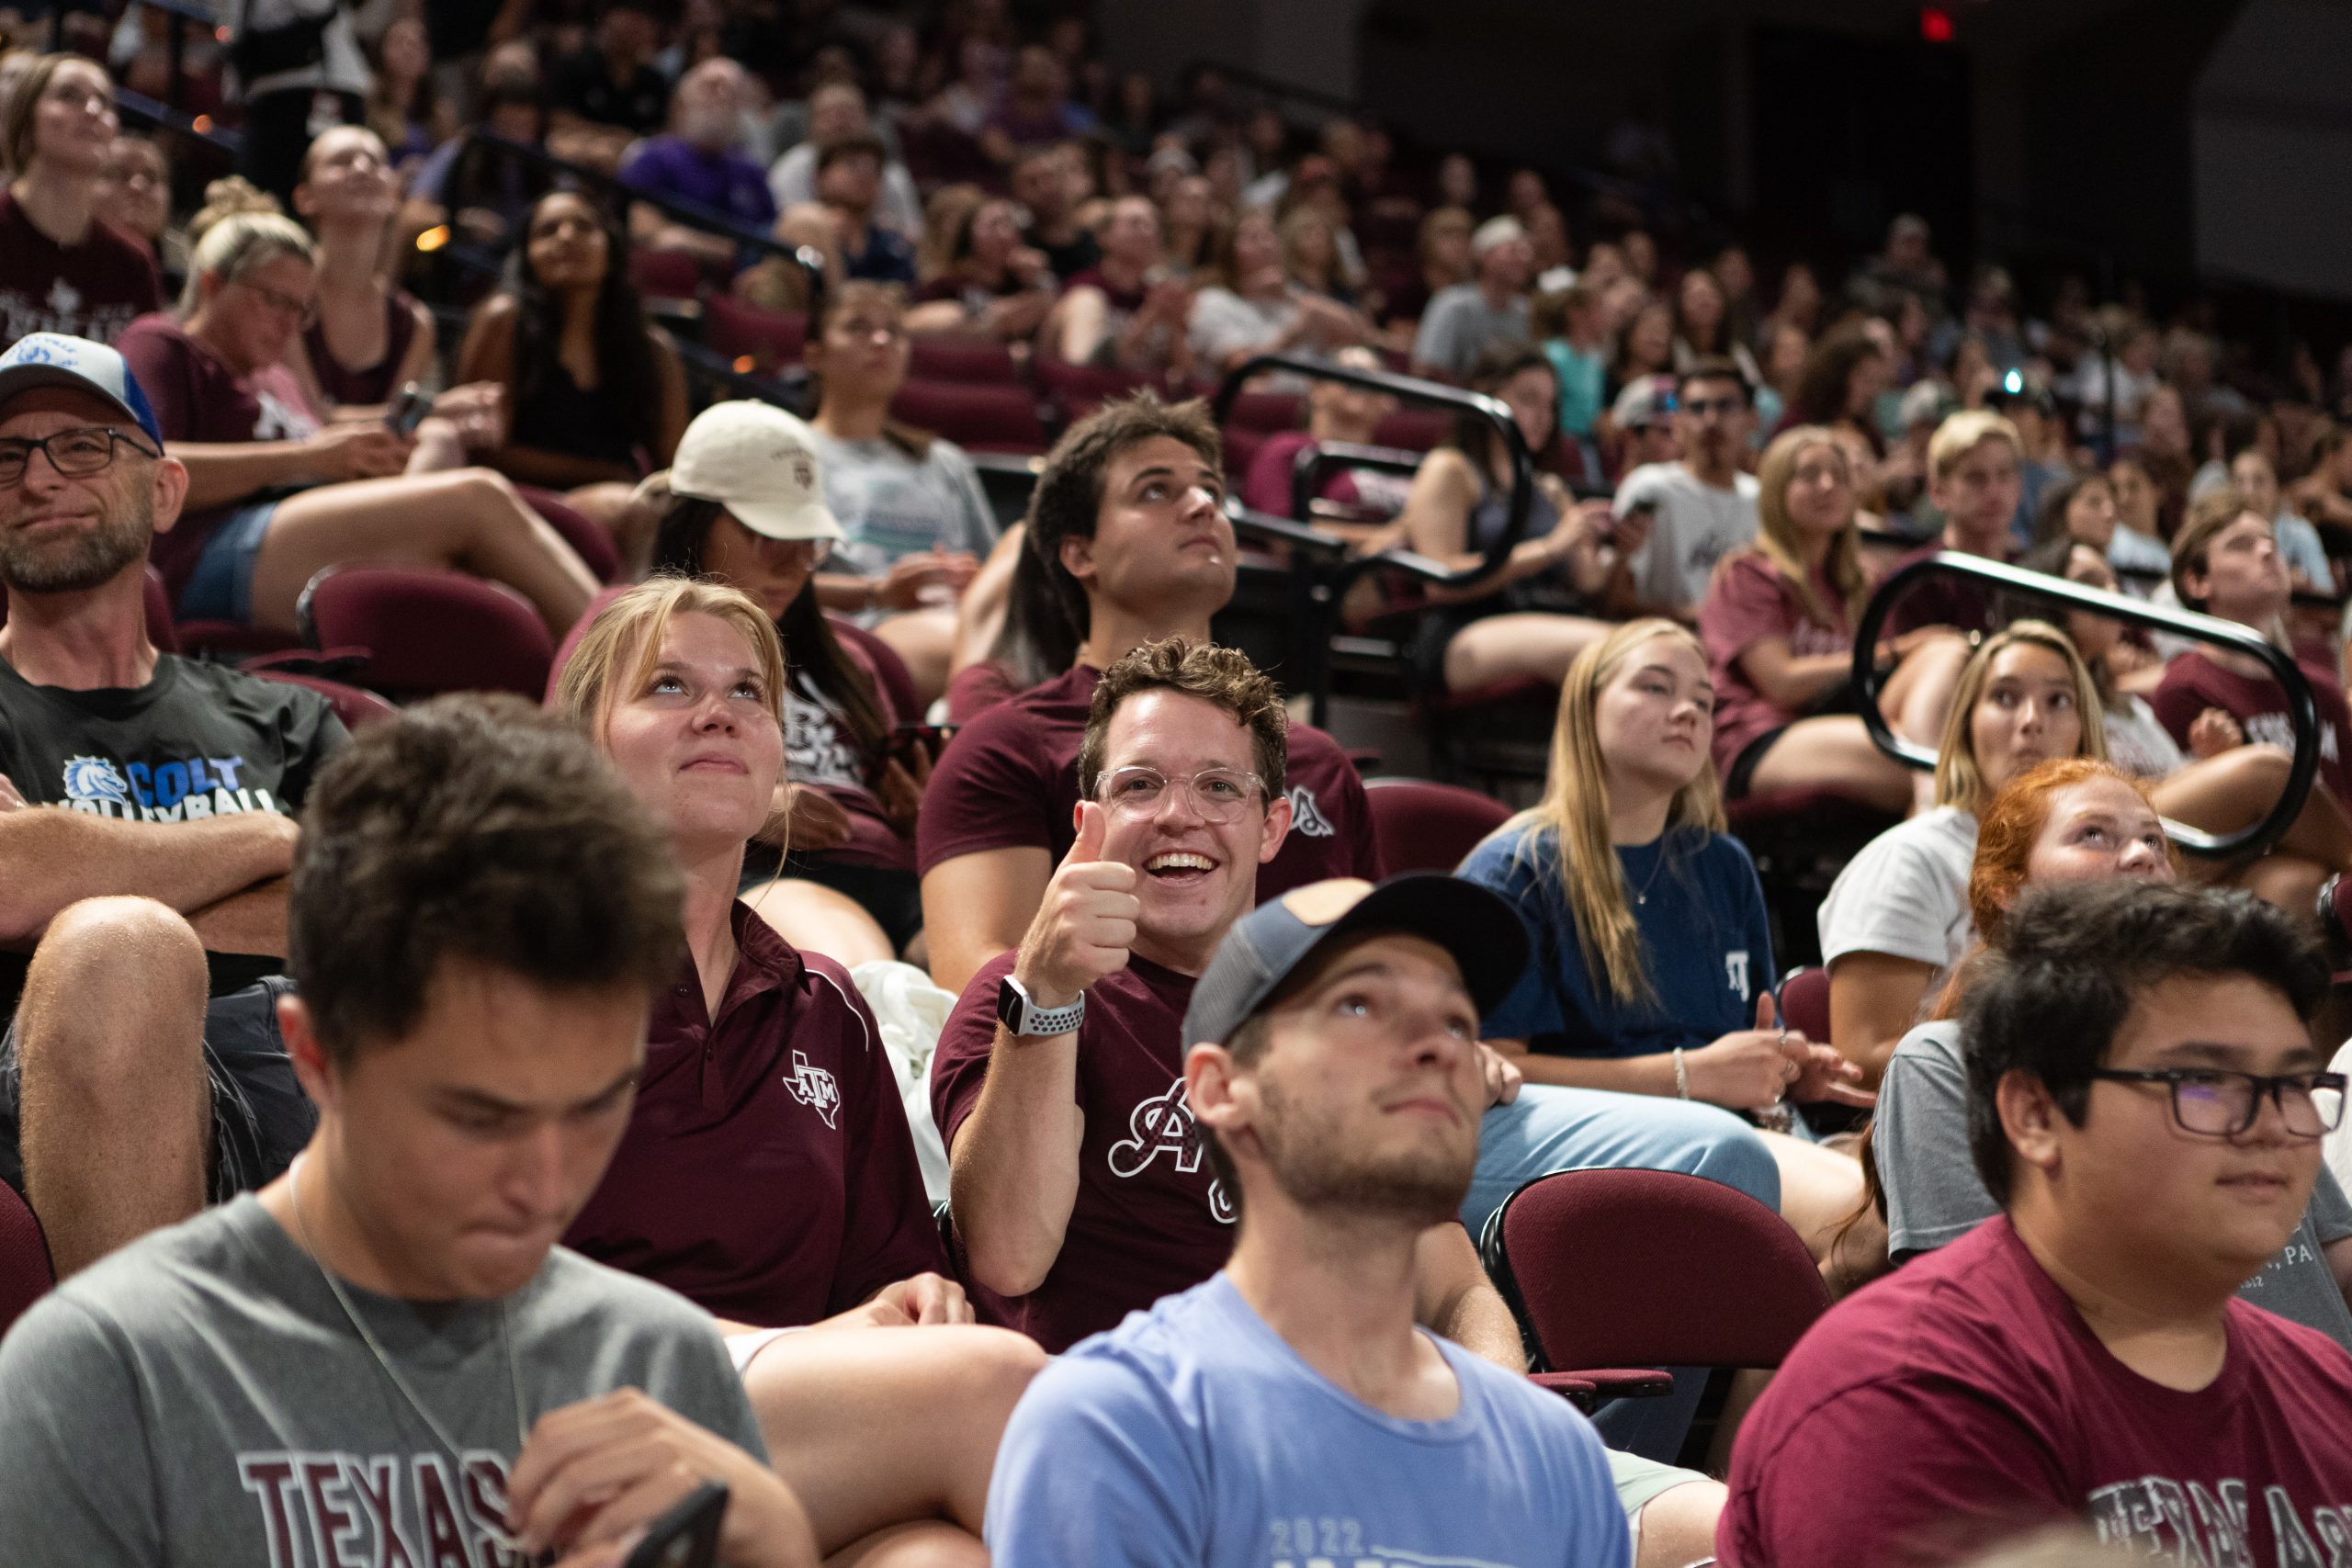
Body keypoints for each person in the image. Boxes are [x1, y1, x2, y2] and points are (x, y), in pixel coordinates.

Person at [0, 695, 821, 1565]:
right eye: (477, 1116)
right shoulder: (103, 1376)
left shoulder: (658, 1359)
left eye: (595, 1103)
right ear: (316, 1056)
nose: (546, 1185)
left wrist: (776, 1545)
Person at [983, 873, 1638, 1568]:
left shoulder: (1560, 1461)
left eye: (1457, 1020)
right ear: (1221, 1086)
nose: (1440, 1046)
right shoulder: (1116, 1427)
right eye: (1358, 1004)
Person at [1723, 879, 2352, 1568]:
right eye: (2204, 1083)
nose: (2270, 1125)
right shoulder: (1901, 1395)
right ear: (2037, 1115)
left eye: (2293, 1086)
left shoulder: (2325, 1384)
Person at [0, 332, 345, 1279]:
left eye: (82, 445)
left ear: (165, 490)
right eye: (8, 456)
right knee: (120, 953)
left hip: (322, 1058)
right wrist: (269, 838)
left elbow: (381, 904)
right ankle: (146, 1408)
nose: (38, 479)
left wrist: (65, 865)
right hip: (72, 1088)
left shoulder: (288, 716)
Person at [1871, 758, 2352, 1348]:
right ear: (2011, 892)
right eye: (2094, 834)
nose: (2142, 855)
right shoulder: (1950, 1061)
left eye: (2154, 839)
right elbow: (1978, 1321)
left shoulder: (2245, 1048)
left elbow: (2334, 1258)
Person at [916, 396, 1383, 998]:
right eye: (1156, 491)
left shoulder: (1317, 759)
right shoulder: (1006, 746)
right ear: (1081, 553)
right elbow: (977, 984)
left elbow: (1374, 959)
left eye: (1213, 489)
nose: (1202, 505)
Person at [1460, 618, 1873, 1272]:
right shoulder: (1517, 867)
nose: (1686, 710)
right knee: (1866, 1225)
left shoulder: (1724, 863)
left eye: (1705, 702)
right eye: (1655, 687)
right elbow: (1491, 1071)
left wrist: (1788, 1065)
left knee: (1920, 1198)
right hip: (1599, 1142)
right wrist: (1691, 1075)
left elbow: (1748, 1038)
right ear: (1585, 707)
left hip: (1738, 1128)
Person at [117, 210, 600, 635]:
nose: (289, 322)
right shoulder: (164, 344)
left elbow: (320, 452)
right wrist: (311, 456)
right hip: (204, 550)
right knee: (478, 497)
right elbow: (141, 470)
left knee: (448, 475)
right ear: (212, 284)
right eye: (274, 300)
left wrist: (360, 458)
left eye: (301, 308)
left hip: (288, 527)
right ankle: (626, 663)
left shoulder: (279, 379)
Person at [639, 400, 930, 960]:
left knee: (1009, 981)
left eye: (808, 545)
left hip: (898, 874)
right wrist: (748, 805)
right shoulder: (634, 636)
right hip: (761, 869)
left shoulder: (848, 658)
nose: (793, 565)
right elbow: (583, 780)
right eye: (771, 537)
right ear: (694, 523)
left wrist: (921, 811)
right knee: (876, 982)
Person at [1818, 622, 2103, 1082]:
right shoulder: (1910, 859)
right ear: (1967, 723)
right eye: (2005, 698)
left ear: (2084, 731)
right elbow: (1861, 1059)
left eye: (2059, 700)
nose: (2032, 720)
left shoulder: (2103, 864)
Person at [1385, 344, 1632, 690]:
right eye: (1528, 399)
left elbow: (1588, 584)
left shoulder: (1551, 488)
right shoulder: (1450, 468)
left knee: (1663, 651)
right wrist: (1548, 548)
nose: (1543, 416)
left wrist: (1625, 548)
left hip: (1544, 615)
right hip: (1464, 627)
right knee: (1632, 654)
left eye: (1550, 404)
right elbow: (1441, 581)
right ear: (1486, 396)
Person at [1700, 426, 1918, 810]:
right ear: (1776, 491)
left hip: (1848, 722)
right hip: (1762, 738)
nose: (1827, 486)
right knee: (1931, 770)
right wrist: (1899, 651)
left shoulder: (1862, 585)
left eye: (1839, 475)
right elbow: (1781, 682)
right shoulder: (1747, 574)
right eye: (1808, 475)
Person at [457, 188, 689, 551]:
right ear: (527, 256)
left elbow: (674, 467)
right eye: (547, 231)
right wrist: (604, 473)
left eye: (583, 226)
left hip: (623, 498)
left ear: (610, 250)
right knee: (636, 509)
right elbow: (485, 452)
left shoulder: (653, 350)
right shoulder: (504, 322)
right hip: (514, 499)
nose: (566, 236)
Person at [803, 280, 996, 706]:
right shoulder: (793, 450)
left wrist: (974, 581)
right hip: (858, 629)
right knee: (988, 656)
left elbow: (995, 569)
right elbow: (766, 580)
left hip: (955, 619)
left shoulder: (945, 460)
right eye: (858, 327)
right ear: (814, 354)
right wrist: (880, 590)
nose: (881, 340)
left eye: (894, 330)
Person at [2154, 489, 2352, 811]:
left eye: (2270, 541)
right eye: (2241, 545)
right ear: (2197, 582)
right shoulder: (2185, 690)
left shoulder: (2323, 690)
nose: (2266, 550)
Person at [0, 55, 160, 344]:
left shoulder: (131, 264)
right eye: (69, 96)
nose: (92, 110)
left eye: (105, 102)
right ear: (25, 120)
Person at [284, 126, 443, 414]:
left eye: (376, 162)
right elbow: (310, 419)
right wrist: (436, 411)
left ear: (396, 196)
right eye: (342, 161)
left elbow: (391, 436)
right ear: (304, 198)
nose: (362, 169)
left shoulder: (415, 322)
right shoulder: (282, 296)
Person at [1613, 357, 1761, 622]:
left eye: (1726, 406)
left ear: (1752, 420)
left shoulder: (1761, 498)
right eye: (1697, 408)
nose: (1711, 420)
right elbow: (1615, 601)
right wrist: (1698, 618)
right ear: (1678, 423)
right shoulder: (1651, 488)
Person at [619, 58, 777, 270]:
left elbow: (774, 234)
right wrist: (722, 250)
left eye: (732, 91)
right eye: (711, 87)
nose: (722, 96)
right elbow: (645, 230)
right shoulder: (654, 157)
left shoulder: (751, 170)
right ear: (684, 102)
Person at [1881, 410, 2025, 641]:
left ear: (2019, 486)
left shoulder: (2033, 575)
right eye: (1975, 477)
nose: (1994, 492)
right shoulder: (1915, 580)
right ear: (1937, 490)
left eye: (2004, 475)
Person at [1184, 206, 1374, 378]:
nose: (1265, 244)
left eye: (1269, 235)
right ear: (1230, 251)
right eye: (1253, 238)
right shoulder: (1214, 301)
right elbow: (1245, 369)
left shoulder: (1292, 297)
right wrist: (1295, 333)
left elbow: (1360, 335)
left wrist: (1292, 295)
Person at [1237, 342, 1408, 519]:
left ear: (1388, 402)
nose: (1361, 384)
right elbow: (1283, 537)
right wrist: (1384, 536)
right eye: (1353, 373)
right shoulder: (1286, 450)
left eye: (1373, 379)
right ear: (1317, 390)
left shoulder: (1395, 463)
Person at [1044, 194, 1193, 377]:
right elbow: (1088, 372)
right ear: (1105, 236)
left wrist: (1176, 325)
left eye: (1153, 225)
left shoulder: (1157, 295)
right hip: (1081, 394)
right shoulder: (1082, 286)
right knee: (1086, 301)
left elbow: (1187, 378)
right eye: (1135, 223)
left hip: (1136, 400)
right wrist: (1149, 318)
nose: (1148, 232)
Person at [767, 81, 923, 239]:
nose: (840, 122)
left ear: (867, 120)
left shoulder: (892, 174)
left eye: (849, 113)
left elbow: (913, 235)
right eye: (829, 114)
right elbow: (783, 227)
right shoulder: (792, 167)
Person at [905, 196, 1056, 344]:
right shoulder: (948, 285)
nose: (1004, 235)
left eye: (1010, 225)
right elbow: (912, 323)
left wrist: (1038, 279)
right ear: (968, 234)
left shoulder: (1025, 283)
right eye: (993, 225)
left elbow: (1054, 312)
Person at [547, 0, 671, 173]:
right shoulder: (574, 65)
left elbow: (661, 134)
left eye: (643, 19)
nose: (635, 25)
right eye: (628, 15)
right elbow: (559, 121)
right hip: (580, 154)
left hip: (633, 162)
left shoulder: (655, 81)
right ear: (607, 19)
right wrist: (615, 135)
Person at [1410, 215, 1533, 379]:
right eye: (1513, 250)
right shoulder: (1452, 304)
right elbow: (1426, 369)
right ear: (1484, 256)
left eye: (1526, 251)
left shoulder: (1525, 312)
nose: (1523, 258)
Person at [819, 137, 918, 288]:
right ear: (820, 177)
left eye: (874, 168)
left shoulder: (890, 241)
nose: (865, 174)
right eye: (852, 164)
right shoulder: (801, 230)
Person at [1010, 141, 1100, 282]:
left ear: (1066, 180)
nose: (1045, 187)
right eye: (1032, 182)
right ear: (1016, 195)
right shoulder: (1015, 252)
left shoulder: (1100, 243)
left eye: (1050, 177)